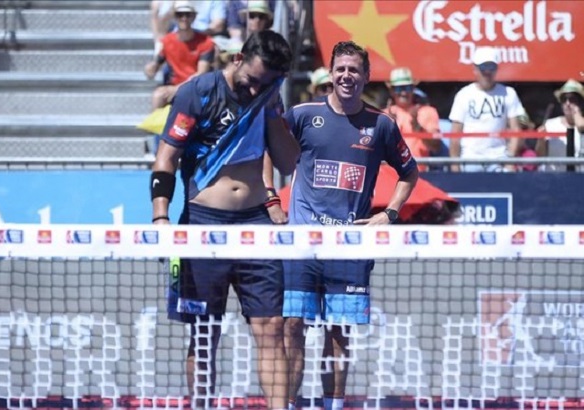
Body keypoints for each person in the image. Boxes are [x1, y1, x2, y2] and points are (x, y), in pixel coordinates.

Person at [150, 30, 298, 410]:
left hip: (255, 225)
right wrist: (161, 217)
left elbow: (287, 162)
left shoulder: (268, 98)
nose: (254, 90)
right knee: (204, 334)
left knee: (272, 328)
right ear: (237, 60)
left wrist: (270, 108)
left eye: (266, 83)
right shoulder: (196, 92)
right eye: (252, 81)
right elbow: (166, 158)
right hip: (203, 224)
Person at [283, 41, 419, 410]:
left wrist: (389, 213)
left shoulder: (382, 125)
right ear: (330, 73)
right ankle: (289, 405)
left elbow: (409, 173)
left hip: (349, 248)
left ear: (366, 76)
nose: (347, 75)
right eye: (341, 69)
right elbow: (268, 149)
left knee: (338, 333)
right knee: (292, 327)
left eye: (354, 70)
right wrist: (269, 199)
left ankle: (334, 406)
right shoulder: (302, 115)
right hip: (301, 245)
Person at [448, 46, 524, 172]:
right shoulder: (463, 95)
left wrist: (510, 161)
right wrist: (455, 165)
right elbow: (455, 134)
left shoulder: (509, 93)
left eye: (491, 67)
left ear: (497, 69)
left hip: (499, 159)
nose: (487, 72)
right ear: (475, 69)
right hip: (470, 159)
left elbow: (516, 130)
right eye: (483, 67)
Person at [144, 1, 216, 109]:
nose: (184, 18)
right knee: (158, 95)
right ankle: (157, 120)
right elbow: (155, 65)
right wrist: (150, 68)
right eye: (180, 15)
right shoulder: (167, 41)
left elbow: (201, 74)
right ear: (175, 17)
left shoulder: (206, 42)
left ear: (194, 17)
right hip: (174, 85)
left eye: (188, 15)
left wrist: (177, 89)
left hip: (197, 87)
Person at [385, 67, 441, 171]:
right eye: (398, 88)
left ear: (413, 89)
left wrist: (417, 127)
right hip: (389, 175)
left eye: (407, 88)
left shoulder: (429, 112)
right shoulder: (383, 115)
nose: (403, 93)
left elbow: (436, 146)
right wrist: (389, 128)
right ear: (391, 91)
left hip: (419, 174)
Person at [535, 79, 584, 171]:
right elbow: (540, 156)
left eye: (572, 99)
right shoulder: (550, 125)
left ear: (580, 103)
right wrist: (541, 139)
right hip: (555, 177)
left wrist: (576, 113)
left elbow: (581, 127)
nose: (568, 103)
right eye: (564, 99)